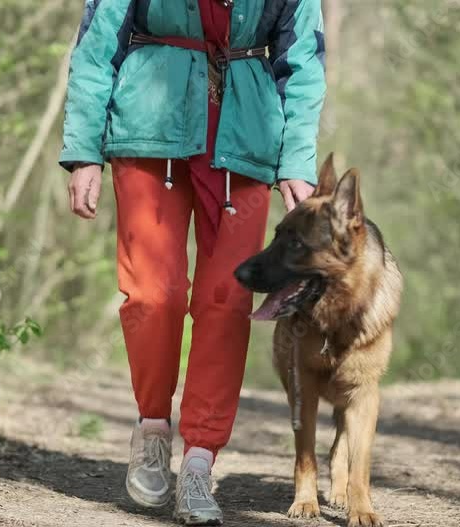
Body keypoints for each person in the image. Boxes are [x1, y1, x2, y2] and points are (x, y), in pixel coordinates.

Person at [60, 0, 325, 524]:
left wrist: (297, 158)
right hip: (148, 127)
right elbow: (96, 44)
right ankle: (153, 428)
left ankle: (201, 459)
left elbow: (304, 61)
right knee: (152, 293)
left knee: (226, 302)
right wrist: (84, 150)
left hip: (246, 138)